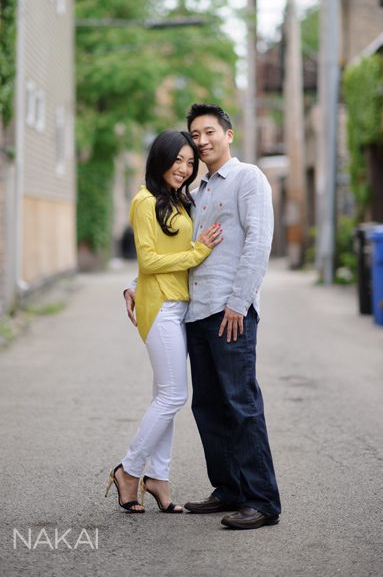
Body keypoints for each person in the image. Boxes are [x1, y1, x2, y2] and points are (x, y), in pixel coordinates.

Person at [125, 104, 281, 530]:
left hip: (230, 310)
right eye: (195, 135)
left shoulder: (247, 178)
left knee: (241, 404)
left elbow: (258, 242)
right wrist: (136, 286)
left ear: (228, 134)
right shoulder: (197, 190)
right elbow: (165, 250)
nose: (202, 141)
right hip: (194, 310)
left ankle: (262, 500)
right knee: (208, 406)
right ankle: (229, 489)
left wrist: (239, 301)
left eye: (209, 132)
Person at [106, 129, 223, 514]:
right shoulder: (144, 201)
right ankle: (130, 469)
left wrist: (132, 284)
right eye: (178, 160)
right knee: (174, 395)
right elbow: (149, 260)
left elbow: (156, 258)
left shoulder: (176, 200)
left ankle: (158, 477)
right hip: (160, 308)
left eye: (190, 163)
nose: (185, 168)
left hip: (178, 306)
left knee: (165, 397)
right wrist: (198, 252)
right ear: (161, 158)